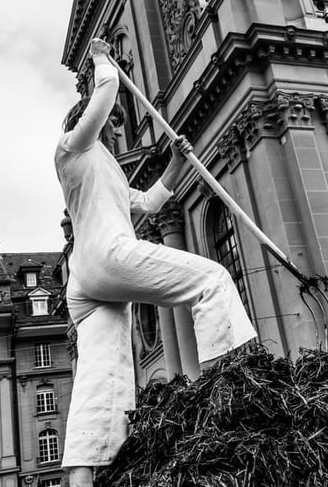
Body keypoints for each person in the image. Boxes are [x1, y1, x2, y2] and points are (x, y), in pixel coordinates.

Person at [56, 38, 257, 487]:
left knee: (101, 378)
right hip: (107, 258)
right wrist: (102, 61)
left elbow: (147, 201)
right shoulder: (70, 149)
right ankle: (227, 392)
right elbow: (105, 94)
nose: (112, 132)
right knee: (212, 280)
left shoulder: (106, 171)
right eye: (109, 126)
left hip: (86, 287)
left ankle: (81, 477)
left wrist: (175, 162)